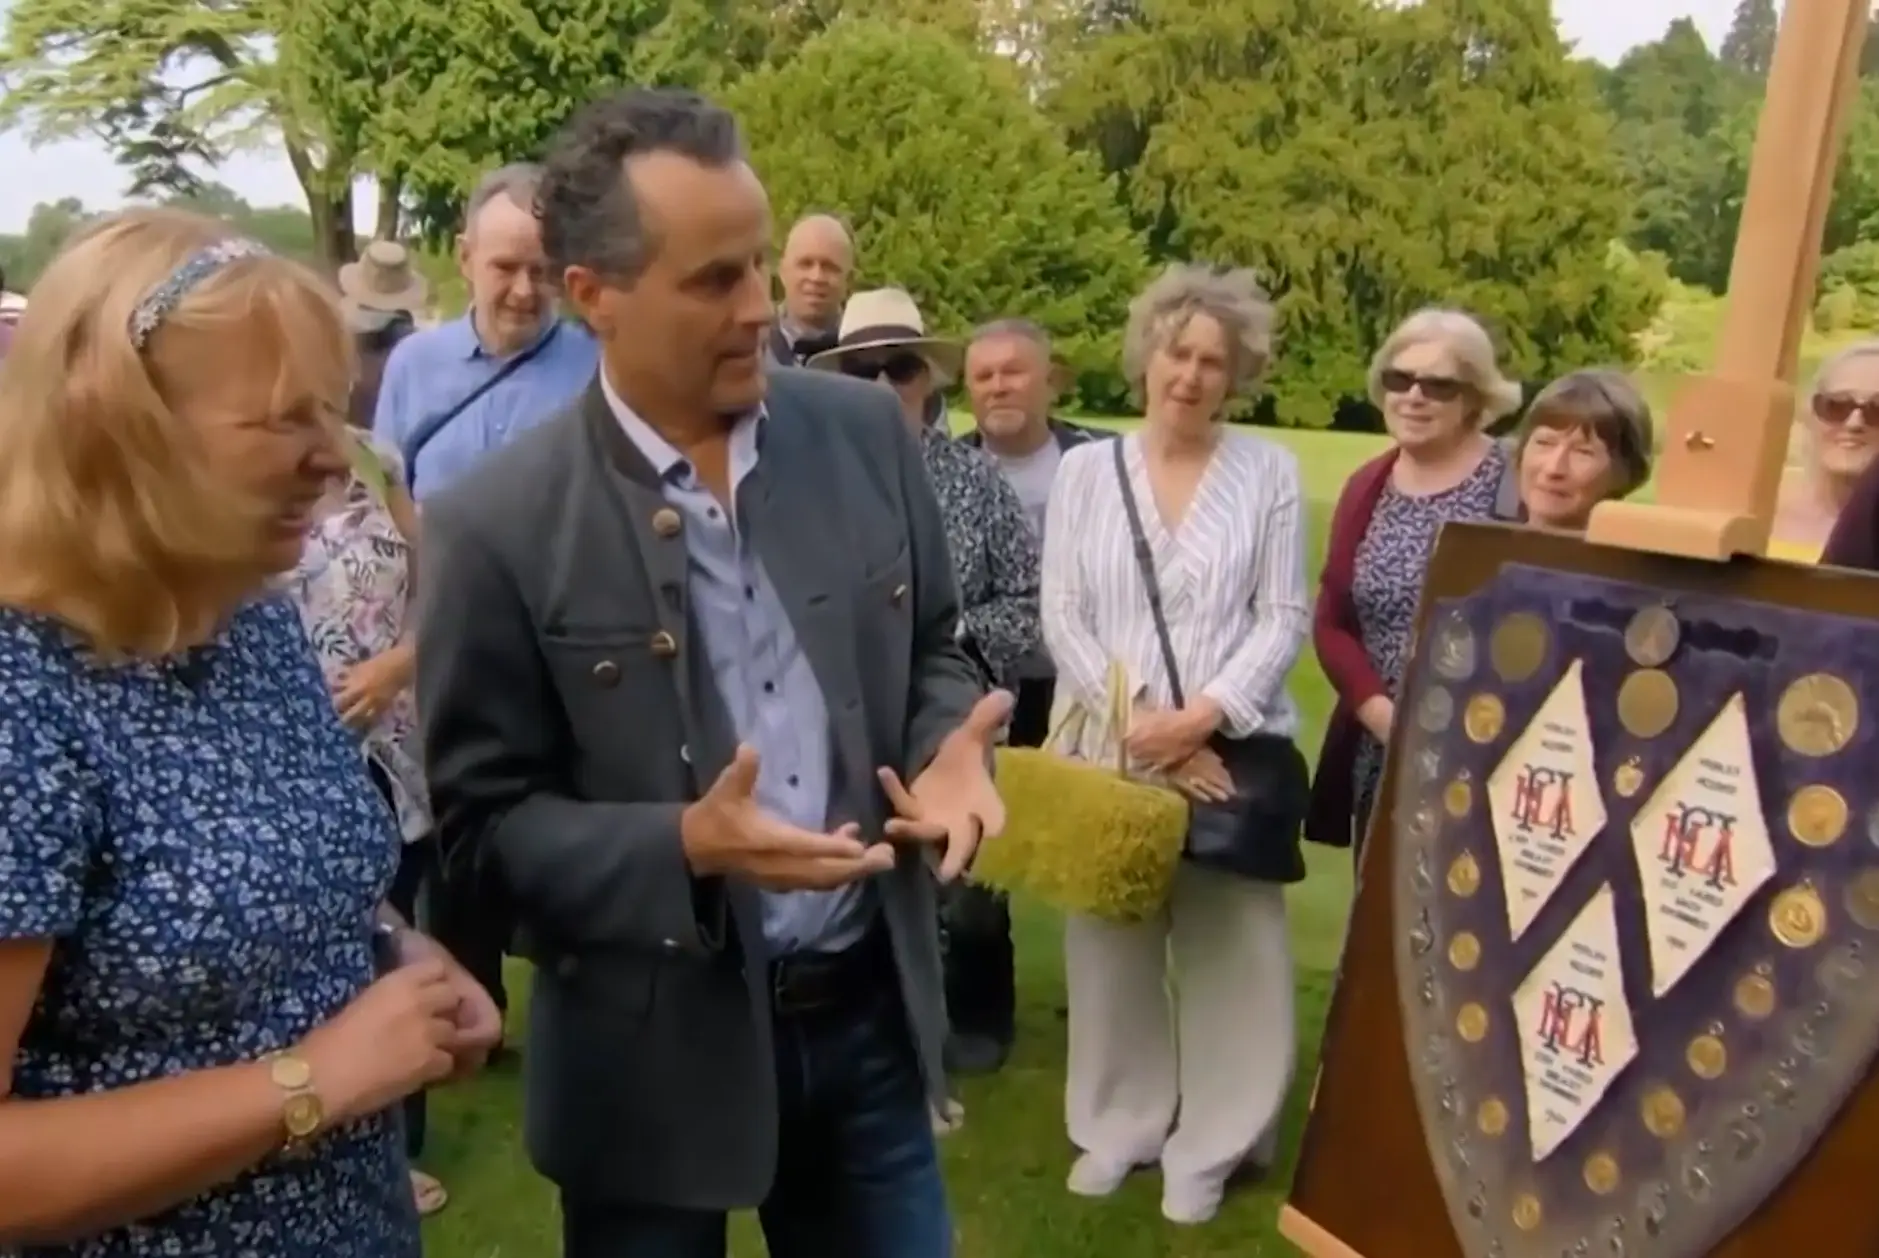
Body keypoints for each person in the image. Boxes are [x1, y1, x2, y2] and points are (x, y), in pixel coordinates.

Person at [416, 88, 1011, 1258]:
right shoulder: (493, 525)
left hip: (865, 1027)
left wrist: (952, 748)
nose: (759, 310)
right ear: (593, 296)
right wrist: (681, 846)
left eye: (757, 263)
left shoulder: (863, 433)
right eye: (711, 280)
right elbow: (477, 843)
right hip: (643, 1069)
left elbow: (935, 644)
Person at [0, 208, 500, 1257]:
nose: (334, 456)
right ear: (117, 425)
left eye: (332, 410)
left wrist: (400, 957)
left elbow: (287, 884)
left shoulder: (252, 619)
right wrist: (314, 1081)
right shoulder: (22, 694)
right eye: (284, 419)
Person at [1041, 264, 1309, 1226]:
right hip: (1108, 744)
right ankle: (1119, 1123)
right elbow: (1062, 613)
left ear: (1234, 378)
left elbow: (1282, 617)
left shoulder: (1268, 475)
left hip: (1226, 748)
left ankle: (1217, 1138)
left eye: (1212, 362)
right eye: (1177, 352)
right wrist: (1141, 727)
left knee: (1227, 944)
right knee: (1109, 944)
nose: (1189, 376)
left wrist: (1200, 721)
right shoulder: (1084, 471)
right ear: (1146, 353)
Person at [809, 291, 1043, 1087]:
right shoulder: (802, 483)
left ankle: (977, 1017)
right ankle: (885, 1018)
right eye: (864, 370)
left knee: (970, 880)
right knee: (861, 871)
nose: (882, 385)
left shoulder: (977, 481)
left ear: (926, 380)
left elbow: (1026, 602)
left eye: (898, 367)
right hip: (845, 718)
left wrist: (946, 642)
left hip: (958, 710)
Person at [285, 415, 444, 1216]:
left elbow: (430, 571)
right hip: (293, 748)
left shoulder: (376, 457)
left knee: (394, 929)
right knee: (312, 948)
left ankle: (394, 1147)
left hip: (391, 747)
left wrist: (400, 660)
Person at [1306, 309, 1523, 856]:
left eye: (1439, 385)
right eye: (1399, 380)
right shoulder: (1367, 486)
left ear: (1476, 397)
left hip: (1491, 755)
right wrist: (1380, 714)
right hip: (1386, 757)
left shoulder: (1517, 481)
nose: (1414, 396)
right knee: (1381, 923)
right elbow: (1332, 618)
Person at [372, 163, 598, 500]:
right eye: (505, 268)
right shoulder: (412, 364)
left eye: (540, 272)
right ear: (465, 258)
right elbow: (381, 501)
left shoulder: (598, 368)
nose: (523, 290)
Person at [1771, 341, 1879, 561]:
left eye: (1877, 410)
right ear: (1808, 413)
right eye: (1836, 406)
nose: (1853, 423)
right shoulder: (1757, 512)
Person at [1512, 369, 1654, 531]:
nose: (1553, 469)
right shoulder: (1484, 550)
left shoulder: (1634, 555)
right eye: (1544, 443)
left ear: (1625, 473)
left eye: (1583, 452)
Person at [767, 213, 853, 365]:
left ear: (849, 279)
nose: (816, 277)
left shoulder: (862, 353)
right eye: (805, 264)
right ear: (782, 271)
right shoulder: (752, 345)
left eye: (829, 267)